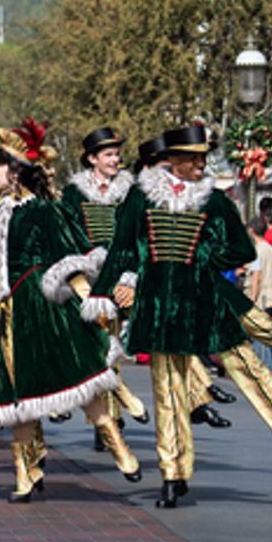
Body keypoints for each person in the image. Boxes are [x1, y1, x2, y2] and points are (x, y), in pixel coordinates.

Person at [88, 124, 272, 510]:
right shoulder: (141, 197)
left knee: (249, 361)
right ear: (171, 159)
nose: (199, 165)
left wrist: (204, 259)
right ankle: (172, 475)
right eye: (192, 158)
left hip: (203, 298)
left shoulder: (215, 201)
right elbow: (124, 246)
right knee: (168, 392)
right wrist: (110, 291)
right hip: (159, 306)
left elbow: (240, 249)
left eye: (203, 158)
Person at [0, 119, 141, 503]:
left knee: (75, 371)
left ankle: (116, 443)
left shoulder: (42, 212)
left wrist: (89, 301)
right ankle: (25, 471)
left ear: (16, 172)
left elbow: (69, 259)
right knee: (15, 396)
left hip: (40, 306)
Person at [47, 126, 152, 437]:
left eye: (118, 154)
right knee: (89, 342)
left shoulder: (131, 192)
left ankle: (110, 419)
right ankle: (91, 411)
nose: (115, 160)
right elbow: (67, 231)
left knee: (112, 341)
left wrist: (130, 273)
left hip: (119, 274)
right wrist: (85, 261)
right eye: (109, 155)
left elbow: (136, 234)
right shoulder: (75, 193)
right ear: (92, 159)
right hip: (86, 276)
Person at [245, 217, 272, 370]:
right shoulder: (269, 248)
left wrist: (252, 299)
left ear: (251, 231)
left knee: (258, 335)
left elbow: (256, 276)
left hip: (261, 297)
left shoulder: (256, 250)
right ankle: (267, 365)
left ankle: (265, 366)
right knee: (265, 335)